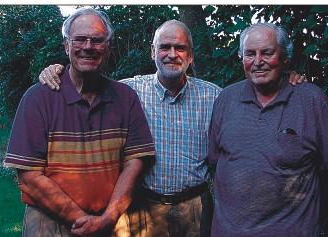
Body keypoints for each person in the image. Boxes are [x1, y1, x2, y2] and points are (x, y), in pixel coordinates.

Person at [38, 20, 305, 237]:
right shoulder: (127, 91)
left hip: (196, 209)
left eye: (180, 48)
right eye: (164, 47)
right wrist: (56, 70)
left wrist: (288, 79)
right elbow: (87, 77)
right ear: (153, 52)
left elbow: (256, 98)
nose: (172, 54)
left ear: (190, 56)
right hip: (142, 208)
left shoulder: (216, 97)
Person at [4, 7, 155, 237]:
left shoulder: (125, 97)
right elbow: (29, 177)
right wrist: (86, 222)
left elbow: (134, 163)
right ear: (66, 46)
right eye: (80, 39)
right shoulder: (38, 98)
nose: (88, 47)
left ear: (108, 47)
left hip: (112, 222)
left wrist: (109, 217)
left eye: (97, 40)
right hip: (50, 224)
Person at [208, 22, 328, 237]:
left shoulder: (311, 100)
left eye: (267, 53)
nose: (257, 62)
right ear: (241, 58)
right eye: (250, 54)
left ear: (284, 57)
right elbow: (216, 162)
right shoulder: (225, 99)